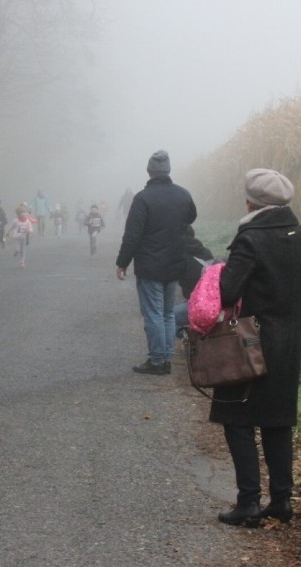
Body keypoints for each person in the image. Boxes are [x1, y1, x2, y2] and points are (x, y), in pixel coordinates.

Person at [210, 169, 300, 527]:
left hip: (250, 342)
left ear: (252, 202)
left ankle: (248, 502)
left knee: (237, 418)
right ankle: (281, 501)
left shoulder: (250, 239)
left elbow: (229, 292)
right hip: (290, 343)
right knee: (278, 422)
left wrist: (218, 271)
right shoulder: (297, 235)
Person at [115, 150, 197, 375]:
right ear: (168, 170)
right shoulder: (183, 195)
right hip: (174, 263)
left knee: (153, 314)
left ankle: (157, 361)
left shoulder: (142, 198)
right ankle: (166, 358)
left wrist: (122, 262)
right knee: (168, 313)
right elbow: (191, 218)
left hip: (150, 266)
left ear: (149, 171)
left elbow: (132, 235)